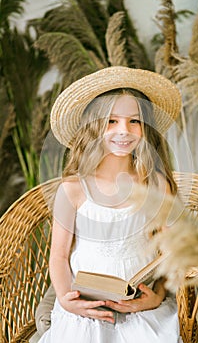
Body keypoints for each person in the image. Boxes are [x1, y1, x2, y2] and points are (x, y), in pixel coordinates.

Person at [38, 66, 183, 342]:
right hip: (86, 308)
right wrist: (69, 302)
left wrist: (157, 296)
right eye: (112, 121)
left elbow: (170, 252)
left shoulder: (155, 185)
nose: (124, 131)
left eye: (134, 121)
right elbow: (58, 256)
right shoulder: (74, 188)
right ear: (94, 125)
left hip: (139, 307)